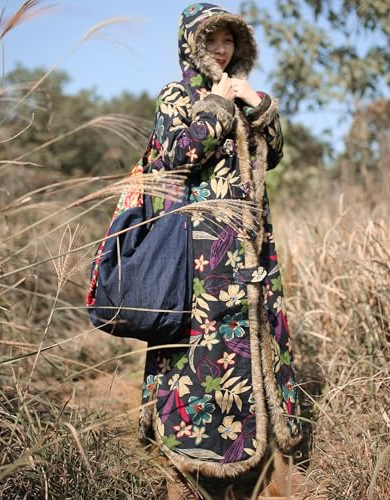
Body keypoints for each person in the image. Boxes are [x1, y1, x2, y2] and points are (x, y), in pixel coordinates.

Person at [136, 3, 303, 498]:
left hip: (251, 249)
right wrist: (217, 106)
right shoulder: (176, 95)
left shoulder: (241, 94)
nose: (221, 49)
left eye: (228, 40)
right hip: (199, 253)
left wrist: (256, 102)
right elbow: (175, 155)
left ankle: (259, 461)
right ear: (192, 45)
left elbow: (274, 154)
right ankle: (186, 461)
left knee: (255, 341)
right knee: (199, 349)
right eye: (211, 40)